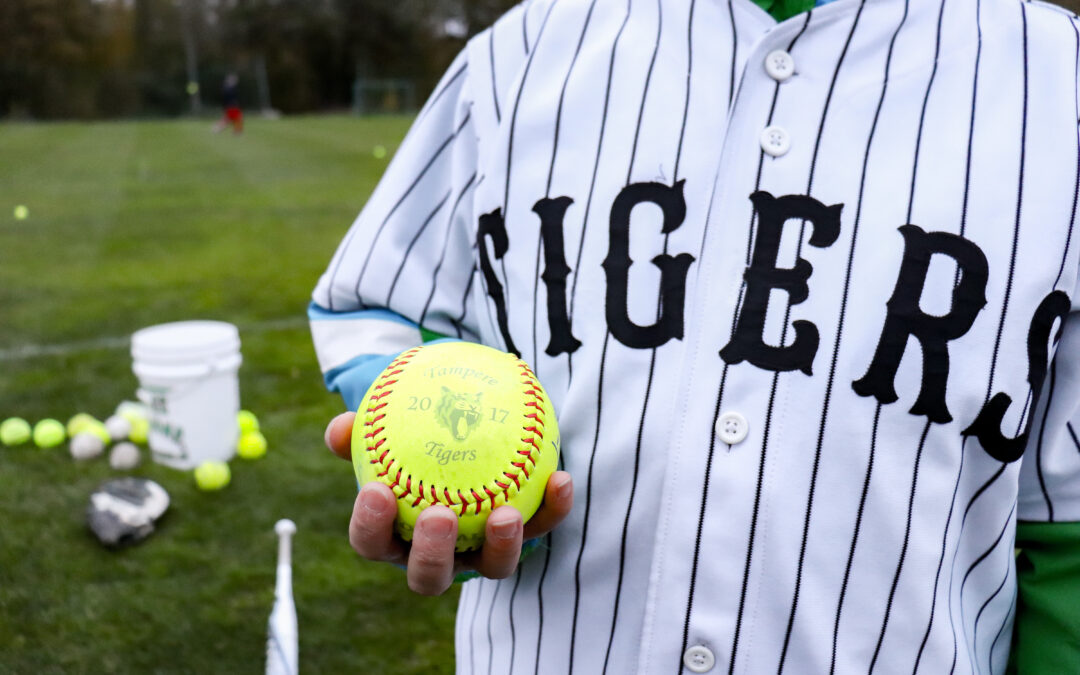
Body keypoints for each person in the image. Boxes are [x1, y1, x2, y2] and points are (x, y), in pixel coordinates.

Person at [311, 0, 1080, 672]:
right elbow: (373, 299)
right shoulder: (521, 52)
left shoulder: (1059, 78)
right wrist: (436, 469)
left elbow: (1071, 534)